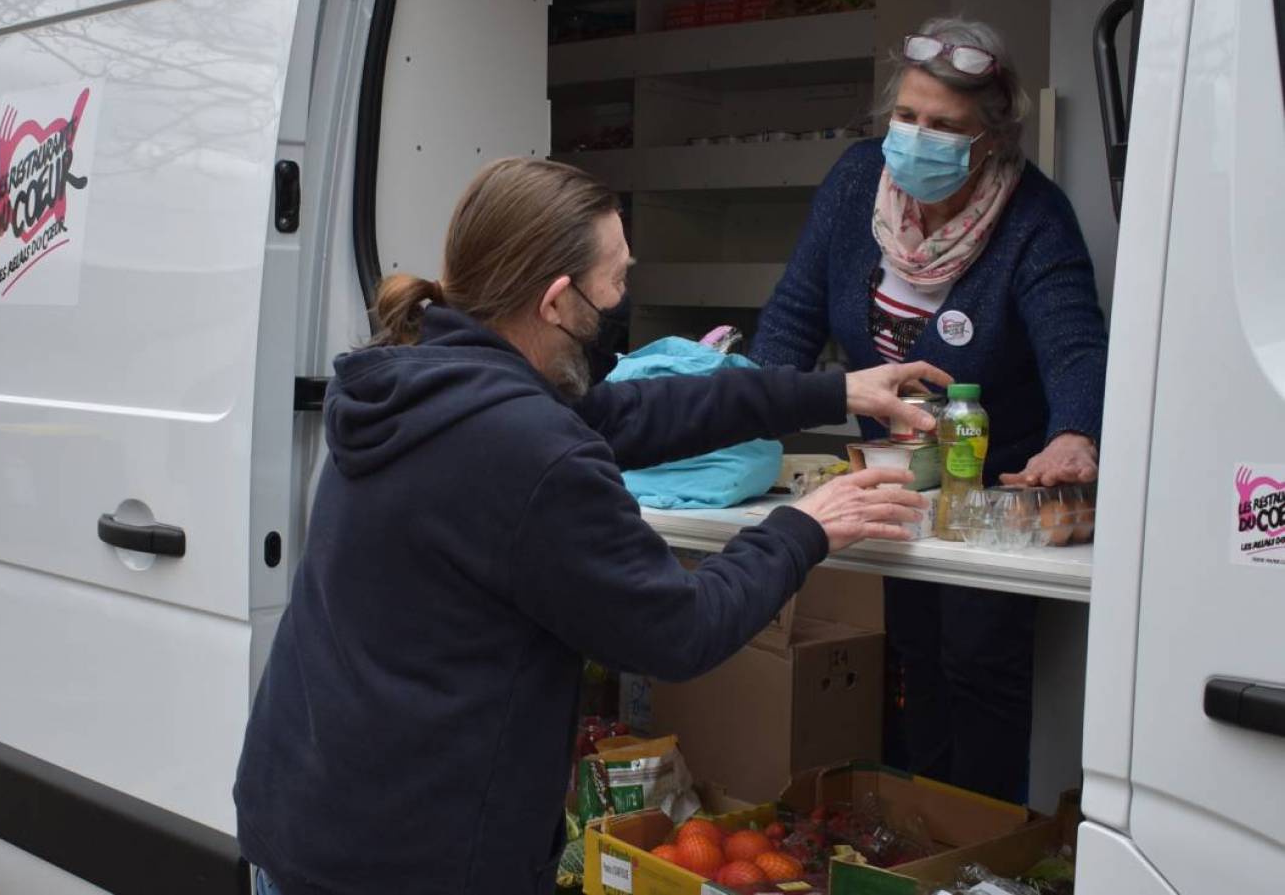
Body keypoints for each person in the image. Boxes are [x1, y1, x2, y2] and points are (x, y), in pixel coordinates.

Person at [235, 157, 946, 894]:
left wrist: (832, 391)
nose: (620, 300)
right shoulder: (529, 450)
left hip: (306, 828)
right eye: (613, 283)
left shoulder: (415, 382)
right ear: (554, 302)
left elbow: (637, 413)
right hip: (413, 867)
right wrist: (805, 524)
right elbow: (678, 628)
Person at [750, 17, 1108, 804]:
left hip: (993, 489)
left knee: (978, 661)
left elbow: (1076, 348)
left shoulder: (1033, 218)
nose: (918, 138)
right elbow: (793, 316)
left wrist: (1076, 435)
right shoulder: (855, 184)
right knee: (913, 654)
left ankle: (983, 846)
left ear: (990, 140)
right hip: (892, 481)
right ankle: (922, 835)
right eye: (907, 117)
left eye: (945, 125)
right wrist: (730, 409)